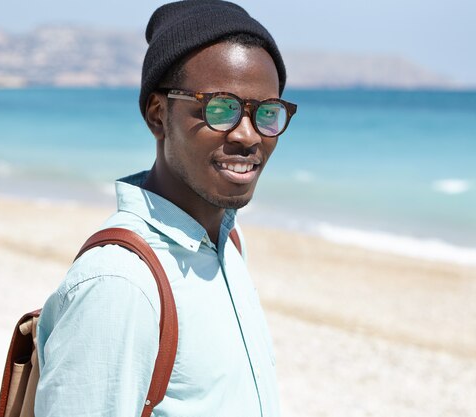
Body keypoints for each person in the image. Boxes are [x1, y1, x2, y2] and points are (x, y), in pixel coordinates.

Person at [34, 1, 297, 416]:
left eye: (266, 112)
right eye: (221, 108)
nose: (249, 136)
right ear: (158, 114)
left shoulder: (225, 242)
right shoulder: (121, 284)